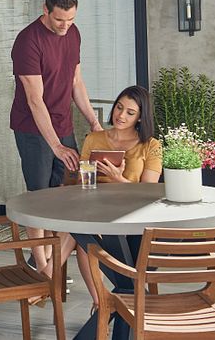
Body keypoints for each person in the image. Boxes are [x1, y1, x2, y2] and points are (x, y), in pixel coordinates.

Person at [36, 85, 162, 310]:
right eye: (119, 107)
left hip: (130, 214)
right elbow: (82, 184)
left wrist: (118, 179)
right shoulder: (94, 139)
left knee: (83, 233)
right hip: (93, 208)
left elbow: (148, 194)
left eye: (130, 112)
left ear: (140, 117)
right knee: (83, 230)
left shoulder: (151, 146)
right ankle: (99, 302)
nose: (121, 115)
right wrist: (87, 176)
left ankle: (47, 281)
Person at [11, 0, 103, 274]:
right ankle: (41, 267)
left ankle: (49, 262)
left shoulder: (73, 33)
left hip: (63, 124)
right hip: (33, 129)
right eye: (60, 20)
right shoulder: (28, 41)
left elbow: (76, 82)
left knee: (65, 192)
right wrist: (56, 146)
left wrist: (93, 121)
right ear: (45, 9)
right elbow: (34, 100)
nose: (65, 26)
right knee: (38, 196)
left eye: (71, 19)